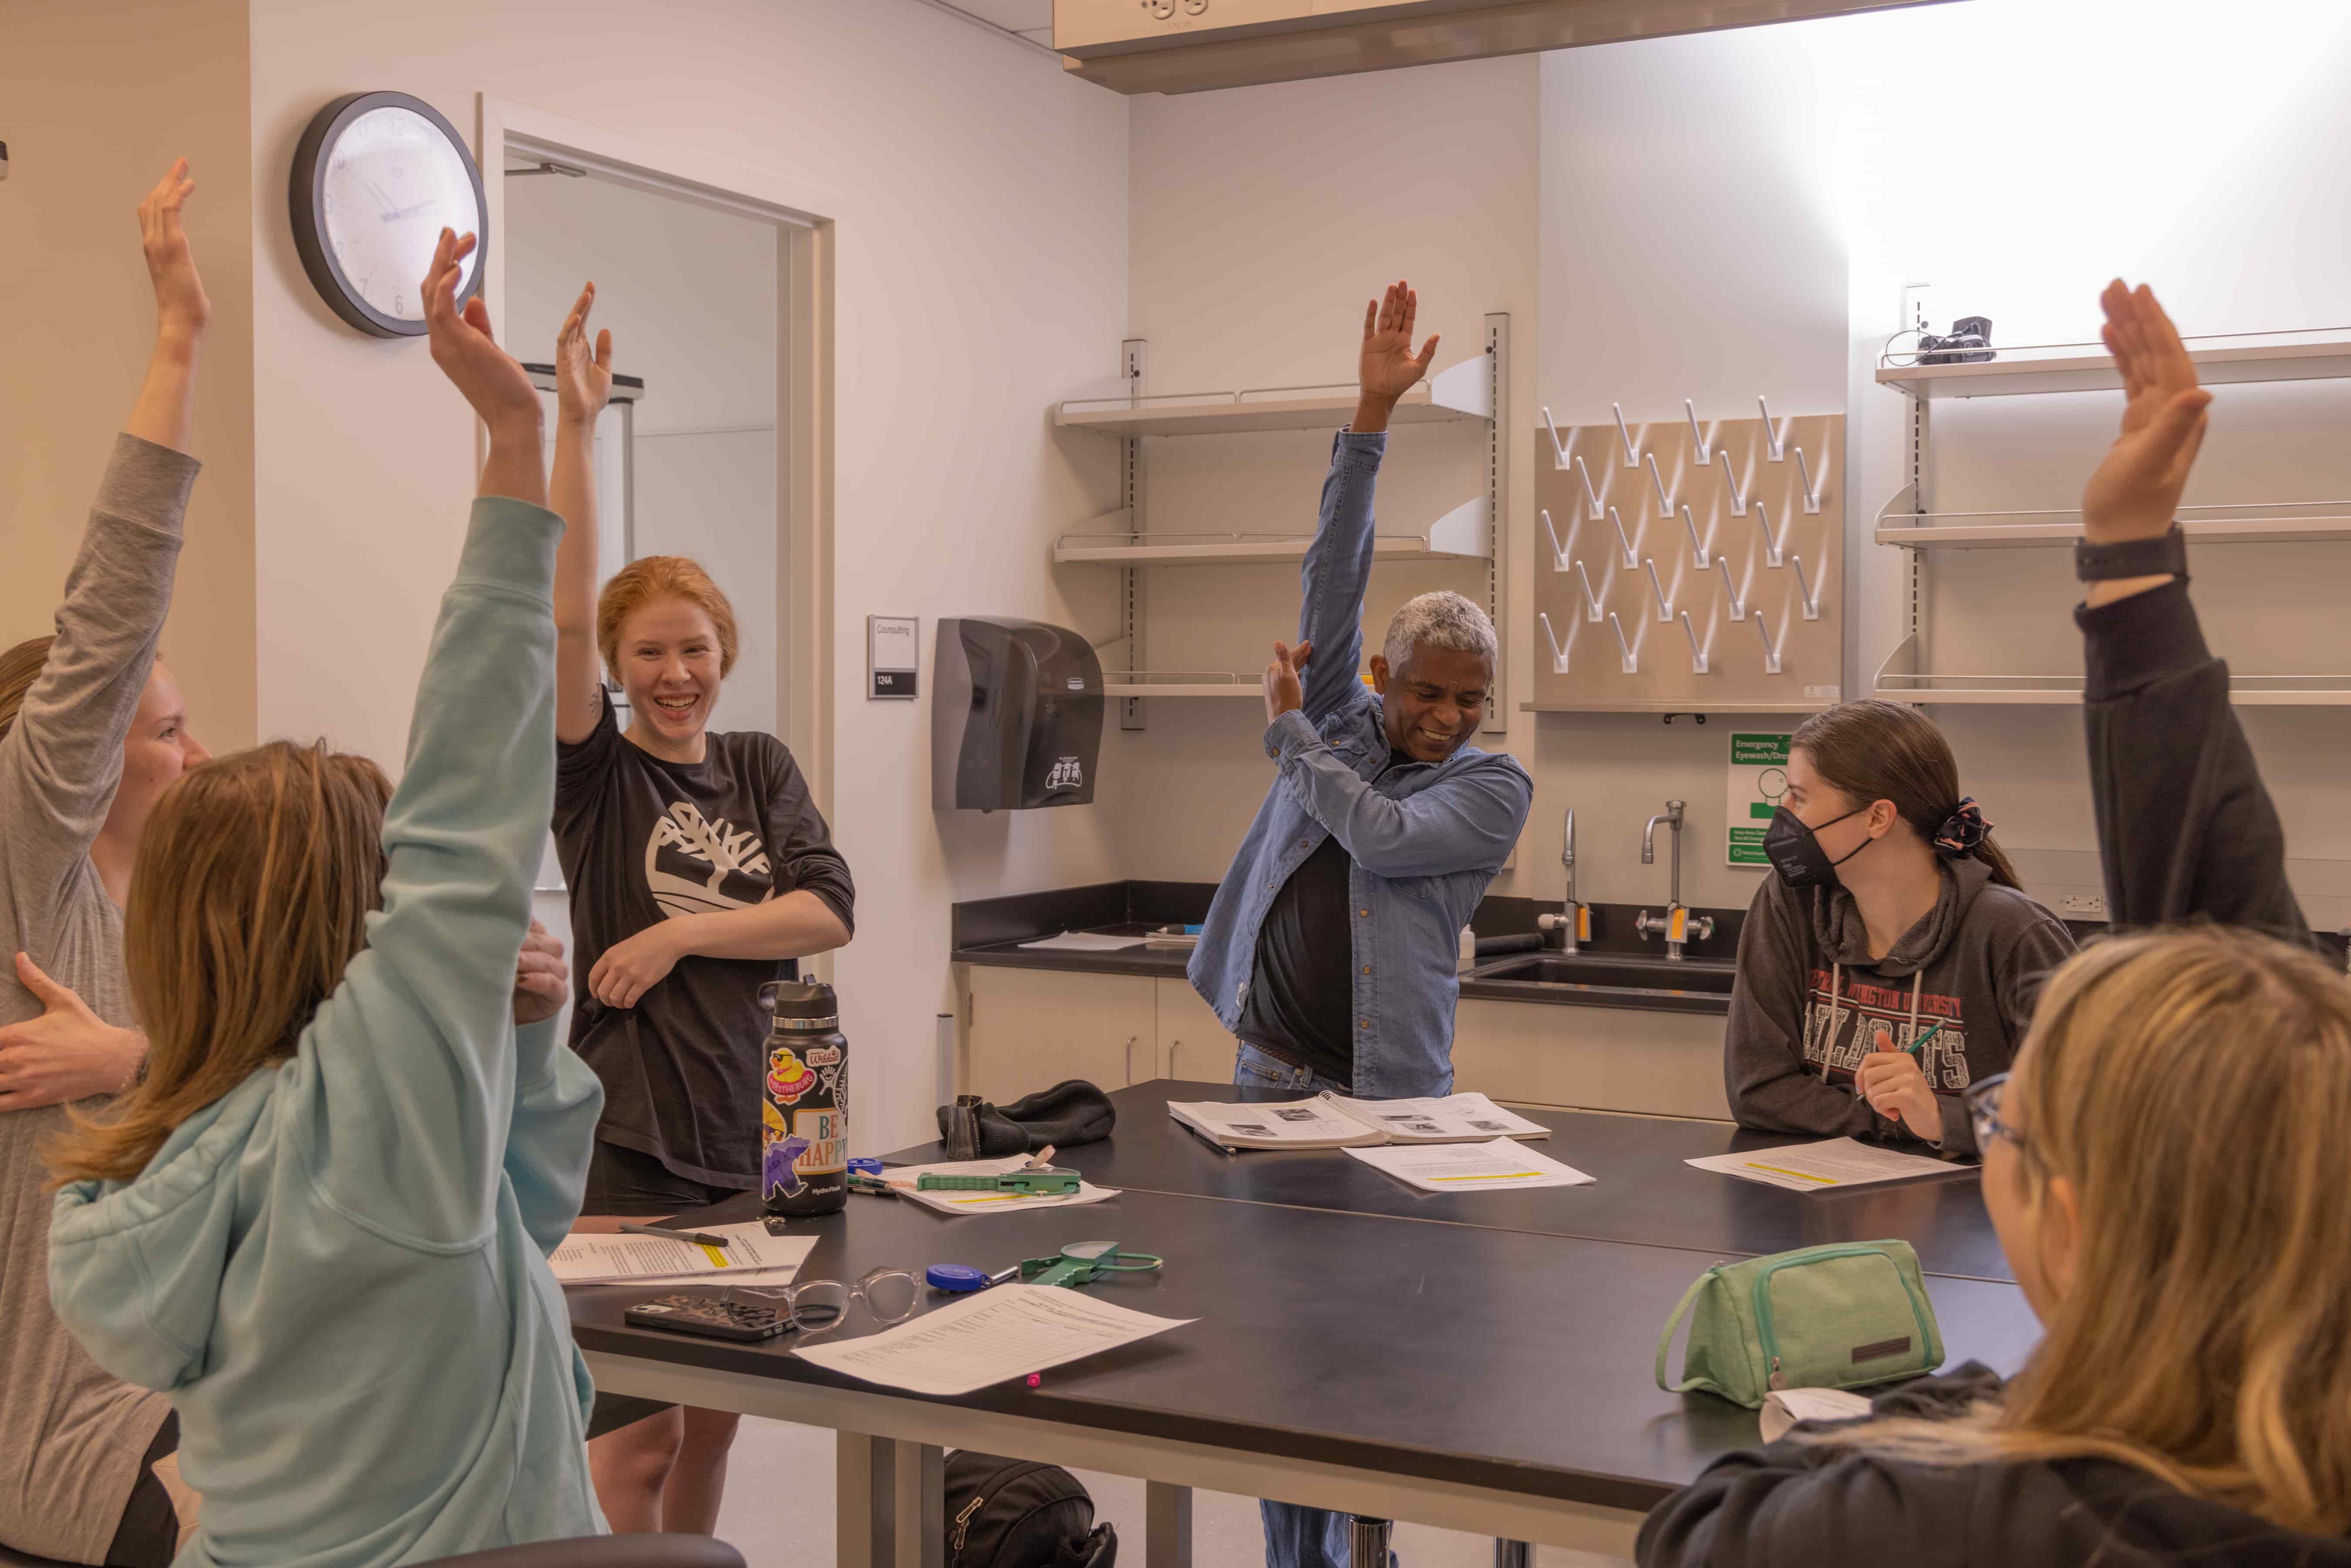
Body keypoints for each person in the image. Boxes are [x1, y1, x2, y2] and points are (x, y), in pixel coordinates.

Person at [1637, 283, 2351, 1565]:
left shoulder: (1963, 1514)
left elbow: (1701, 1530)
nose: (1995, 1114)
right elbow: (2244, 1011)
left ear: (2074, 1235)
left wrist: (1973, 1398)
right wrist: (2131, 565)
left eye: (2012, 1113)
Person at [43, 228, 606, 1568]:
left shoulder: (145, 1173)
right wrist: (516, 445)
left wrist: (515, 1040)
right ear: (363, 925)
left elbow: (519, 1216)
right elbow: (475, 790)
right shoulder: (367, 1122)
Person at [1188, 281, 1531, 1568]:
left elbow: (1380, 837)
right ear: (1385, 680)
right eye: (1430, 693)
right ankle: (1302, 1561)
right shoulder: (1346, 717)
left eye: (1473, 701)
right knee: (1287, 1350)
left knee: (1379, 1347)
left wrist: (1287, 739)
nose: (1448, 719)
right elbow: (1331, 576)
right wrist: (1370, 419)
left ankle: (1369, 1541)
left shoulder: (1490, 790)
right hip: (1274, 1074)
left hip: (1399, 1094)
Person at [543, 283, 855, 1532]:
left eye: (695, 648)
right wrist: (571, 432)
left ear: (725, 650)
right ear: (617, 672)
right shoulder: (598, 776)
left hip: (759, 1128)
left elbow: (827, 911)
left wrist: (677, 932)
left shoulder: (761, 764)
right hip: (630, 1133)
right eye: (650, 655)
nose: (676, 674)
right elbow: (561, 611)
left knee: (718, 1420)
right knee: (638, 1434)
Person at [1721, 701, 2075, 1154]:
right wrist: (1900, 1120)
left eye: (1800, 796)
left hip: (1981, 1213)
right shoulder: (1789, 902)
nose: (1783, 809)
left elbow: (2075, 1116)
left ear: (1877, 818)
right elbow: (1758, 1091)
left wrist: (1941, 1119)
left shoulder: (2015, 932)